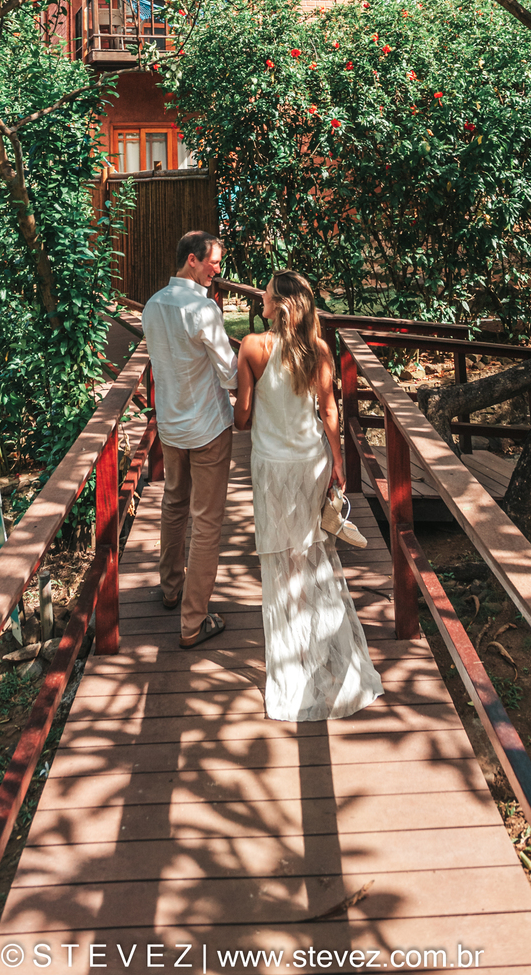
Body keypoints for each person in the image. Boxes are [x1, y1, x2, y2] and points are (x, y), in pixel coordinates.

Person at [234, 270, 384, 722]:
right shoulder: (319, 350)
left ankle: (292, 658)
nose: (259, 299)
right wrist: (337, 461)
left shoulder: (253, 348)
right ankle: (321, 653)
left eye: (265, 295)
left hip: (273, 467)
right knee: (312, 554)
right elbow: (329, 409)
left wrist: (245, 402)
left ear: (279, 305)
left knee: (280, 560)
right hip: (312, 462)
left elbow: (242, 418)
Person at [141, 230, 238, 650]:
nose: (219, 269)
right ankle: (193, 622)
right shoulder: (203, 309)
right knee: (207, 521)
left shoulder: (152, 306)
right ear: (193, 260)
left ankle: (170, 589)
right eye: (214, 261)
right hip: (208, 428)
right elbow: (230, 374)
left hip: (171, 428)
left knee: (173, 503)